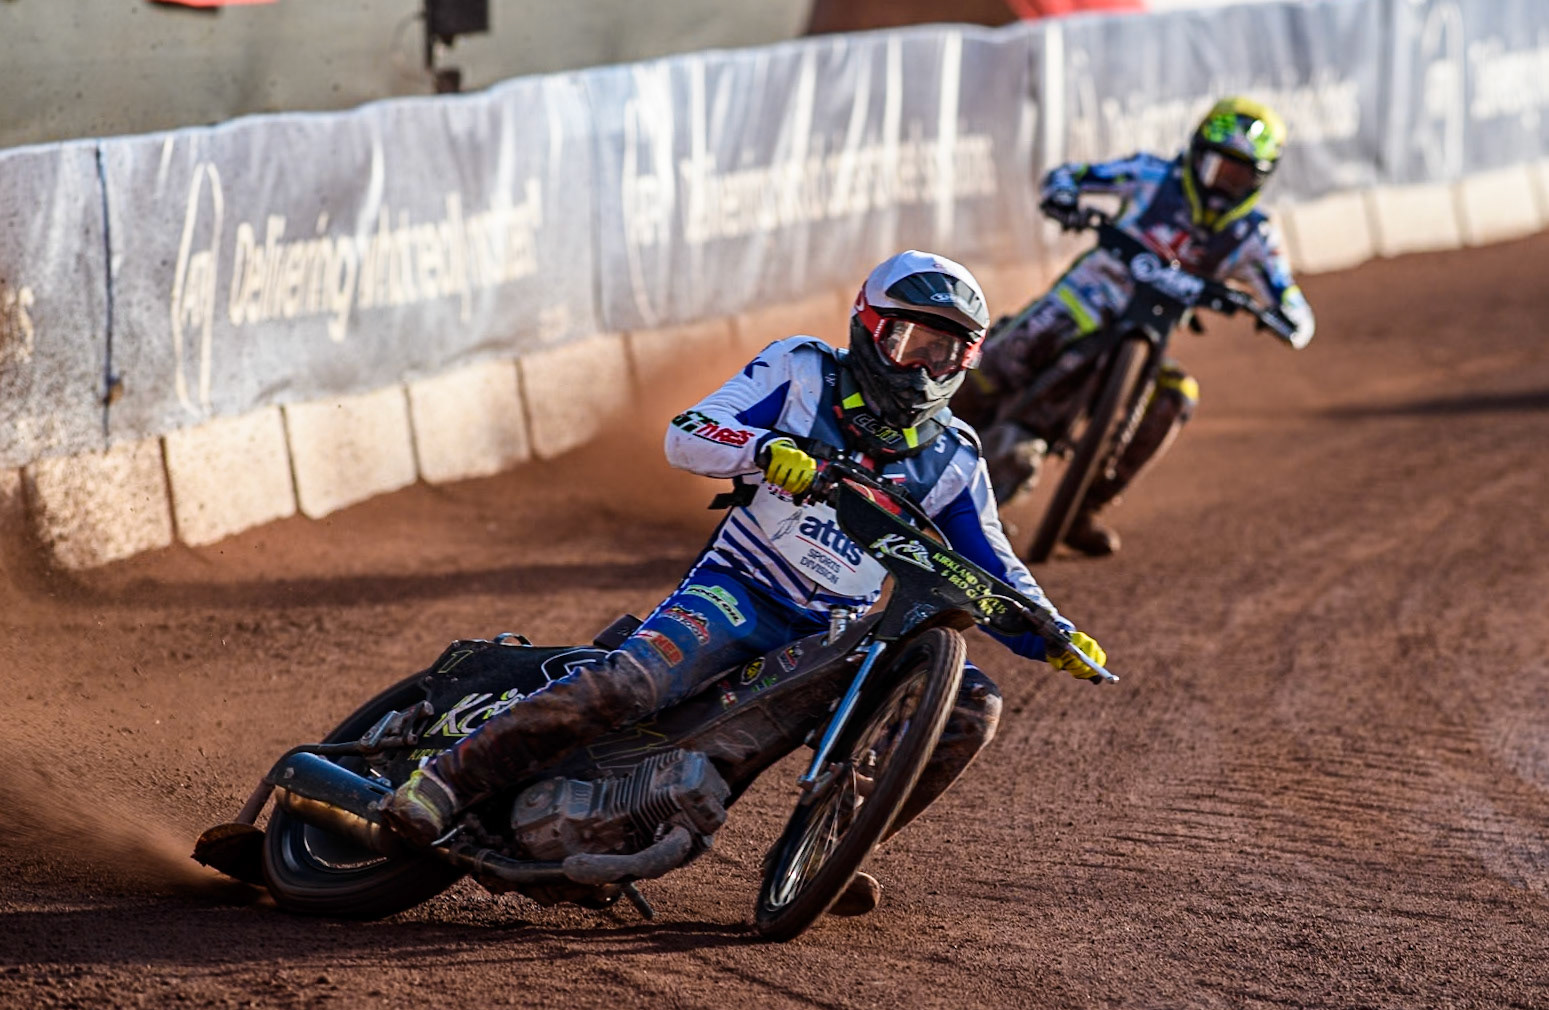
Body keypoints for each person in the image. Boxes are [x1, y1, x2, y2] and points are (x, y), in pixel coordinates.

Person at [383, 250, 1107, 916]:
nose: (920, 367)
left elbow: (990, 559)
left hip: (835, 637)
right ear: (867, 328)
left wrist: (1053, 630)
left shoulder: (954, 453)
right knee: (632, 684)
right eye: (906, 343)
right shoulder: (803, 370)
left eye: (943, 351)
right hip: (738, 589)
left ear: (966, 359)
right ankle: (446, 781)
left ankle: (836, 844)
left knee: (969, 705)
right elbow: (688, 432)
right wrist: (764, 450)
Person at [958, 96, 1316, 556]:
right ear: (1195, 153)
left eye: (1240, 175)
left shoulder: (1253, 236)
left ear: (1259, 181)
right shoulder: (1149, 175)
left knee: (1177, 395)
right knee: (1007, 356)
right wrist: (1065, 198)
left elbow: (1290, 302)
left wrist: (1283, 318)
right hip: (1083, 299)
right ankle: (919, 445)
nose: (1224, 184)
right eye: (1218, 167)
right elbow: (1068, 177)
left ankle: (1083, 509)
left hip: (1151, 333)